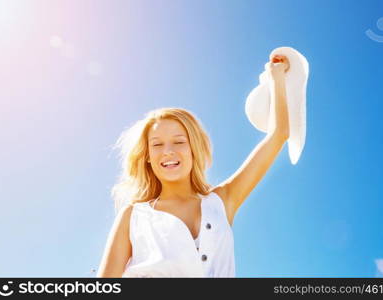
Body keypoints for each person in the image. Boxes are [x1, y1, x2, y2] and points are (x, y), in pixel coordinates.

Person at [96, 54, 290, 277]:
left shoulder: (222, 201)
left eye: (179, 142)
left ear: (193, 149)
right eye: (157, 144)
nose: (168, 151)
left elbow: (279, 134)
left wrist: (277, 79)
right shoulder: (134, 215)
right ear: (147, 156)